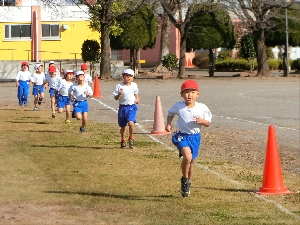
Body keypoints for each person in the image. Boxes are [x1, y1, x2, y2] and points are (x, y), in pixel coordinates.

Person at [165, 80, 212, 198]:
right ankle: (184, 180)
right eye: (186, 92)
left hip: (195, 137)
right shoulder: (178, 106)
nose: (189, 95)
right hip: (181, 136)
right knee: (187, 156)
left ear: (197, 94)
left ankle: (188, 183)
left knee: (191, 162)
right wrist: (168, 124)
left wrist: (202, 121)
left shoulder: (202, 108)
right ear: (181, 94)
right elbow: (170, 113)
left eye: (192, 92)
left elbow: (208, 123)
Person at [113, 68, 139, 149]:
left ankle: (131, 138)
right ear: (123, 76)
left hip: (131, 107)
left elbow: (136, 93)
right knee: (123, 127)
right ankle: (123, 140)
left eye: (130, 76)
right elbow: (116, 98)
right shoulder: (119, 86)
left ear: (132, 78)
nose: (128, 78)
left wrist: (137, 99)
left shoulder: (134, 85)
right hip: (122, 108)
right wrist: (119, 94)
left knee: (131, 123)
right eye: (126, 76)